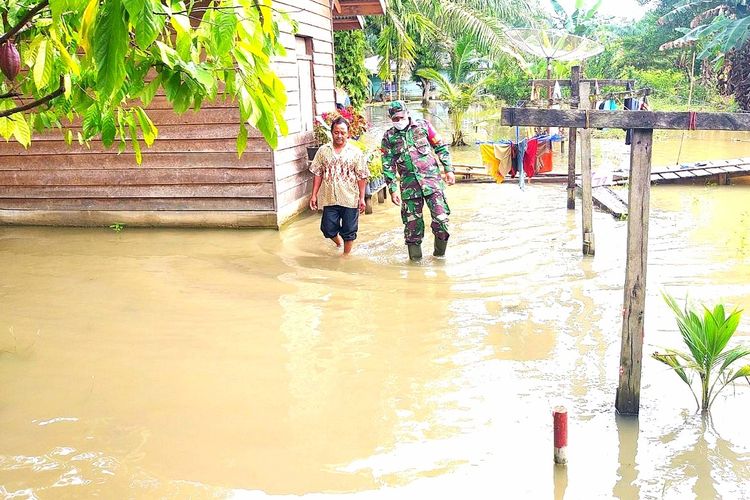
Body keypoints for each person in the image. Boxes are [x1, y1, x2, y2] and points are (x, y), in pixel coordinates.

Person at [380, 100, 455, 261]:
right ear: (390, 118)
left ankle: (439, 258)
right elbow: (388, 165)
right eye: (395, 119)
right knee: (412, 229)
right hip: (409, 188)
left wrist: (448, 169)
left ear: (407, 113)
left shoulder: (423, 126)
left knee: (442, 221)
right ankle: (415, 265)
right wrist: (392, 190)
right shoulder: (389, 137)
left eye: (401, 117)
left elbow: (440, 147)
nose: (399, 121)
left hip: (432, 183)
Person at [309, 116, 369, 255]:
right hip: (330, 198)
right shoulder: (323, 151)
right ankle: (338, 243)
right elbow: (318, 173)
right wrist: (314, 195)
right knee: (327, 228)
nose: (339, 136)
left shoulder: (355, 153)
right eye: (336, 132)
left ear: (348, 134)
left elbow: (362, 176)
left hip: (350, 198)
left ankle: (346, 255)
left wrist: (361, 198)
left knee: (349, 230)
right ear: (332, 133)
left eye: (343, 132)